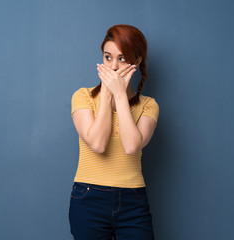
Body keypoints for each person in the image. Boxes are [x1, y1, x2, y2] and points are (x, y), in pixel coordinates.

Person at [68, 24, 159, 240]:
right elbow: (97, 144)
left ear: (137, 62)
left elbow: (131, 146)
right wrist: (107, 95)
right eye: (108, 57)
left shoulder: (148, 105)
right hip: (88, 197)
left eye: (123, 58)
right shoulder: (83, 96)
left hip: (133, 200)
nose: (114, 67)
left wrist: (120, 95)